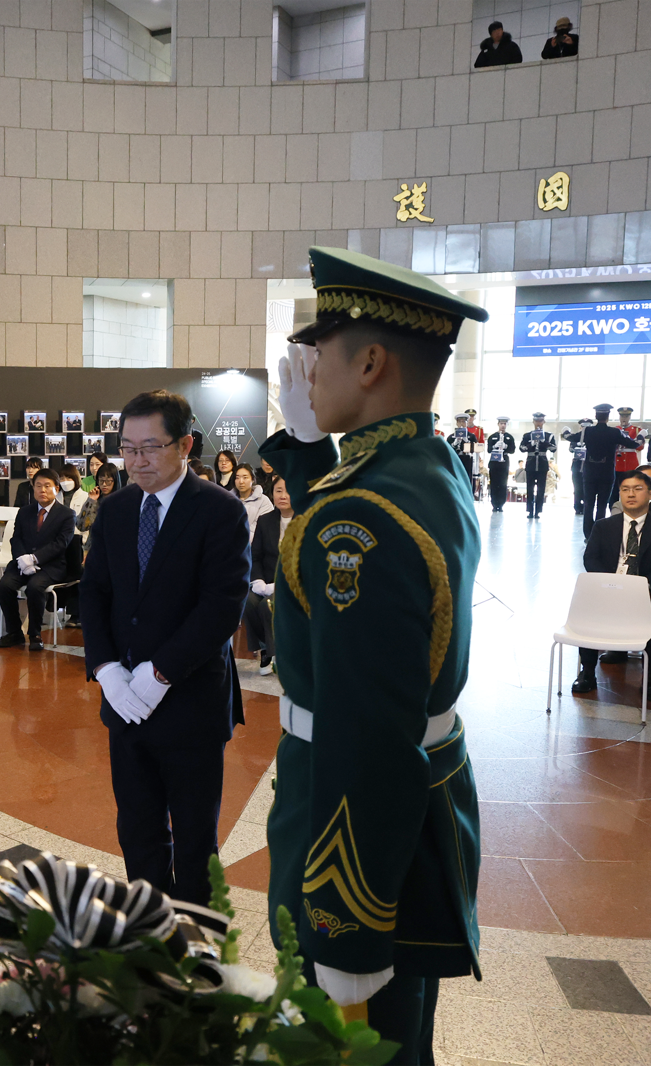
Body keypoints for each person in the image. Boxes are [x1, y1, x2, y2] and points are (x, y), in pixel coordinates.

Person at [262, 247, 486, 1066]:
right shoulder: (425, 466)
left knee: (358, 1042)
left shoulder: (360, 521)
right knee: (399, 1035)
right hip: (417, 807)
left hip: (351, 818)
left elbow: (364, 731)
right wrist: (304, 443)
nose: (306, 370)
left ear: (371, 360)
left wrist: (347, 929)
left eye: (318, 353)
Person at [79, 389, 251, 906]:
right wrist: (106, 668)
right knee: (137, 829)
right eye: (128, 449)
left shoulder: (220, 510)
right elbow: (95, 592)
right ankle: (150, 929)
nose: (137, 461)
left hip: (191, 699)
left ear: (185, 445)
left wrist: (160, 674)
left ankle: (199, 939)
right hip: (124, 701)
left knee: (196, 837)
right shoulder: (114, 510)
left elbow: (222, 605)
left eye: (150, 447)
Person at [571, 470, 651, 694]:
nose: (631, 494)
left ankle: (650, 677)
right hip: (608, 587)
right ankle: (587, 672)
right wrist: (610, 582)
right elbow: (590, 558)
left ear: (650, 493)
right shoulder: (603, 526)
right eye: (625, 489)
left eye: (637, 489)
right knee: (586, 608)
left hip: (645, 591)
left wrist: (640, 585)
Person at [0, 467, 77, 650]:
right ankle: (15, 632)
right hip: (22, 563)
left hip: (51, 565)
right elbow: (16, 539)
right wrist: (23, 559)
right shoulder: (24, 512)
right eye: (38, 485)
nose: (42, 490)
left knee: (35, 587)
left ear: (57, 488)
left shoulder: (66, 514)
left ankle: (34, 634)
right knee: (4, 586)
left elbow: (60, 544)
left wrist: (34, 558)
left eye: (48, 486)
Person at [243, 476, 291, 675]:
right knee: (247, 601)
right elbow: (255, 556)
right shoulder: (266, 520)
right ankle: (265, 648)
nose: (283, 496)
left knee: (267, 605)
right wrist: (258, 580)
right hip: (266, 581)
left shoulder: (307, 519)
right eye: (278, 491)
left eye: (288, 491)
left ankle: (277, 654)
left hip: (294, 584)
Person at [577, 404, 626, 537]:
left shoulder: (587, 431)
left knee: (588, 504)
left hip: (590, 472)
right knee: (602, 505)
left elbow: (571, 438)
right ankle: (598, 533)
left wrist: (565, 432)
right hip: (606, 472)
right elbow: (632, 444)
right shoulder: (614, 432)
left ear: (596, 416)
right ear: (608, 417)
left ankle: (588, 534)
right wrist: (639, 437)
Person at [608, 406, 646, 510]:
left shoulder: (637, 430)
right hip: (616, 463)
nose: (624, 418)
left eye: (626, 416)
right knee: (614, 490)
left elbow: (640, 447)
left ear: (630, 417)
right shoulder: (614, 430)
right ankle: (613, 511)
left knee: (631, 488)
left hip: (630, 463)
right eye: (622, 416)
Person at [520, 413, 554, 519]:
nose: (538, 423)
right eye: (536, 421)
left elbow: (554, 448)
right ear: (533, 422)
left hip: (542, 464)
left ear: (544, 422)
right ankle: (530, 510)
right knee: (529, 489)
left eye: (540, 421)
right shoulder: (527, 435)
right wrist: (531, 444)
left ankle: (538, 511)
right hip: (530, 464)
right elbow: (521, 448)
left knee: (541, 489)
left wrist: (545, 443)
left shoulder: (549, 435)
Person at [485, 416, 515, 512]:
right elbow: (489, 450)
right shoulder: (492, 436)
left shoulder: (509, 437)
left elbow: (512, 450)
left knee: (503, 484)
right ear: (498, 424)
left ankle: (501, 504)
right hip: (494, 461)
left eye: (505, 424)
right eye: (501, 423)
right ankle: (494, 503)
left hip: (504, 462)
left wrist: (506, 446)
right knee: (494, 483)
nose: (503, 425)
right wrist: (495, 446)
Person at [563, 418, 592, 516]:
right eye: (583, 426)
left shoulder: (593, 438)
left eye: (587, 426)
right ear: (580, 427)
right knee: (577, 488)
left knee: (587, 488)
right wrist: (577, 447)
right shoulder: (576, 438)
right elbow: (571, 449)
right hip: (577, 466)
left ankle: (587, 506)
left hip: (588, 466)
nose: (584, 428)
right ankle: (577, 507)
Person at [233, 462, 271, 536]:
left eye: (245, 477)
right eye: (237, 478)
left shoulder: (263, 501)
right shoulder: (228, 500)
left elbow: (263, 528)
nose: (241, 481)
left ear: (252, 479)